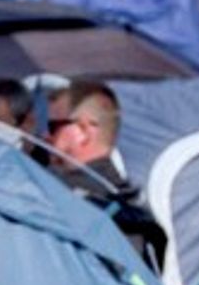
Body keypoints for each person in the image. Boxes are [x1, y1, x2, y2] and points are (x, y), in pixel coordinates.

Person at [43, 78, 166, 269]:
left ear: (83, 130)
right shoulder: (132, 203)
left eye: (53, 126)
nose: (46, 136)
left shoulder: (55, 195)